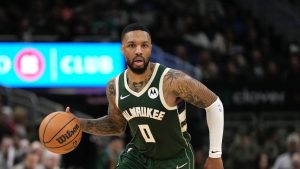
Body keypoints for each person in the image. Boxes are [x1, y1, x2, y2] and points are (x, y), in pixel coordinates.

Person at [66, 23, 224, 169]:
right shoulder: (114, 86)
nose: (138, 50)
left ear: (150, 48)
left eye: (144, 45)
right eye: (132, 45)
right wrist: (80, 124)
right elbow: (116, 125)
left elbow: (214, 104)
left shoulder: (172, 80)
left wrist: (215, 155)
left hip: (174, 158)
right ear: (122, 49)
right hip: (137, 157)